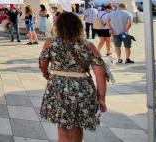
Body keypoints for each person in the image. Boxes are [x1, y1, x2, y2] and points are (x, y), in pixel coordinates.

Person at [39, 12, 107, 142]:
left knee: (63, 126)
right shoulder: (89, 45)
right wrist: (101, 98)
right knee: (77, 125)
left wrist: (47, 74)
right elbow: (100, 74)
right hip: (83, 88)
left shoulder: (51, 42)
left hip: (58, 86)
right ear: (79, 27)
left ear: (58, 26)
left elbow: (42, 64)